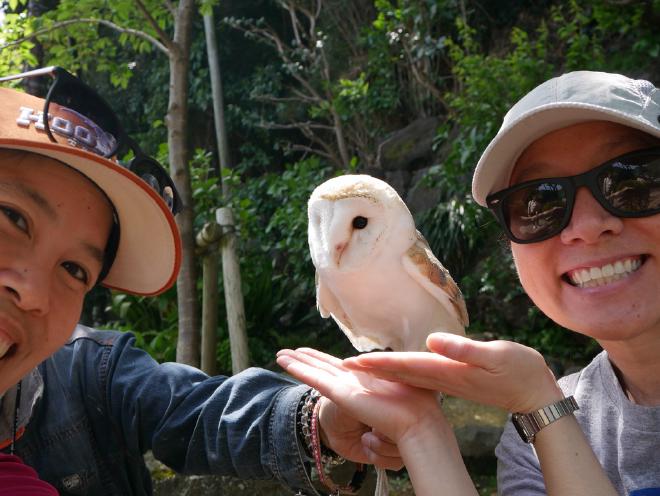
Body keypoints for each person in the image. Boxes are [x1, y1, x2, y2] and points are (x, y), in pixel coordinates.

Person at [0, 67, 402, 496]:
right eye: (11, 217)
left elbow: (194, 409)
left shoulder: (91, 372)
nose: (32, 291)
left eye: (75, 269)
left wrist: (320, 419)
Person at [281, 70, 660, 495]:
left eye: (635, 181)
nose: (587, 227)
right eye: (538, 201)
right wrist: (420, 427)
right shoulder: (531, 438)